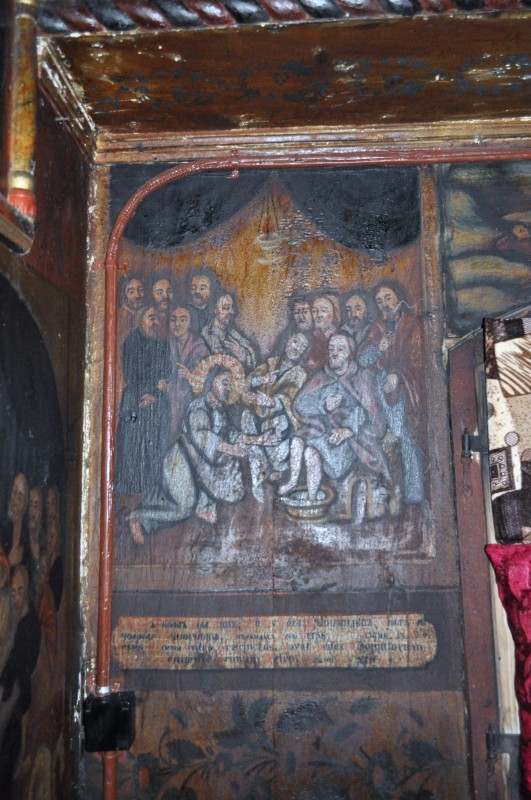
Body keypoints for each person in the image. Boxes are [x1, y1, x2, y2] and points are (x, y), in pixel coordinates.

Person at [128, 360, 280, 543]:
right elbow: (202, 436)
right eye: (224, 383)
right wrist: (230, 449)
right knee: (184, 507)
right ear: (211, 382)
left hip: (196, 464)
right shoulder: (199, 406)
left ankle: (203, 505)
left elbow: (230, 432)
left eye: (229, 385)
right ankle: (139, 517)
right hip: (181, 460)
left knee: (216, 472)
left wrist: (257, 440)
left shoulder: (219, 409)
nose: (228, 388)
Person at [279, 334, 390, 503]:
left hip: (348, 440)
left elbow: (371, 414)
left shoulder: (360, 378)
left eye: (340, 349)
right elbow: (300, 404)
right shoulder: (322, 376)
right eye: (331, 349)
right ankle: (299, 487)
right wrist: (322, 405)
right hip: (322, 431)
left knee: (310, 452)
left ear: (349, 353)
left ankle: (311, 499)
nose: (334, 353)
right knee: (299, 442)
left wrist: (349, 430)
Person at [358, 281, 425, 505]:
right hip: (378, 393)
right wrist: (379, 348)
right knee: (375, 436)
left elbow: (417, 361)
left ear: (399, 298)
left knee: (404, 437)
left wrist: (397, 375)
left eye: (388, 297)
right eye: (379, 301)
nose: (384, 304)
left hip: (404, 392)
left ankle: (414, 495)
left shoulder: (411, 326)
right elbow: (363, 359)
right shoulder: (378, 328)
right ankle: (386, 494)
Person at [115, 306, 172, 494]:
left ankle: (153, 486)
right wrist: (153, 386)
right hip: (135, 401)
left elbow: (167, 376)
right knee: (133, 445)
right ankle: (130, 486)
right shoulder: (131, 342)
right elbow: (132, 376)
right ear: (141, 320)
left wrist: (155, 395)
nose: (155, 322)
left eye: (156, 318)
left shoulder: (163, 345)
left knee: (156, 444)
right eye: (151, 317)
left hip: (157, 402)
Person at [243, 332, 310, 480]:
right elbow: (248, 382)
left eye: (302, 346)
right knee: (246, 416)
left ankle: (276, 469)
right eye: (295, 341)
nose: (297, 348)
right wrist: (261, 380)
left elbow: (292, 398)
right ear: (287, 340)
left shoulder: (300, 374)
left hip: (279, 421)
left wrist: (272, 402)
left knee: (279, 426)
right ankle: (262, 468)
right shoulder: (271, 363)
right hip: (259, 415)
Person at [0, 565, 41, 799]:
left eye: (20, 591)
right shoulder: (10, 620)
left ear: (26, 591)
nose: (15, 597)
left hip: (17, 701)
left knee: (6, 763)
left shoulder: (29, 624)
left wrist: (5, 688)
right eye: (13, 591)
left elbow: (24, 667)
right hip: (7, 694)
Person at [168, 306, 210, 436]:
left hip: (190, 400)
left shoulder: (200, 346)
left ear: (190, 323)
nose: (177, 324)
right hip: (170, 400)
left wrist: (189, 375)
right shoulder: (168, 344)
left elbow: (206, 379)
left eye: (183, 320)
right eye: (173, 320)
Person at [201, 293, 256, 372]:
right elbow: (216, 365)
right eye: (226, 308)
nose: (232, 312)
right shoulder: (207, 333)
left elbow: (252, 356)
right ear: (215, 310)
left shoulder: (233, 332)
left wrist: (242, 355)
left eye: (232, 308)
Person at [304, 293, 340, 373]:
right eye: (314, 311)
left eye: (323, 310)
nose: (319, 315)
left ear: (333, 314)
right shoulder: (308, 337)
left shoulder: (338, 338)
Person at [185, 268, 218, 333]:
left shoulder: (214, 311)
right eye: (193, 288)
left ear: (211, 291)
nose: (197, 291)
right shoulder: (185, 310)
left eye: (202, 288)